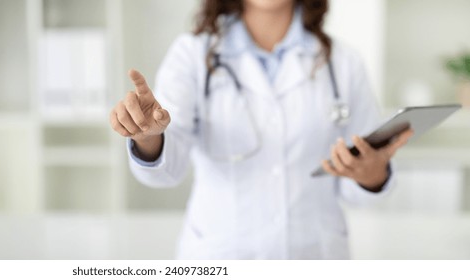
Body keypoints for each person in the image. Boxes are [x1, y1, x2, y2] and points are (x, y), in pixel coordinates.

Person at [109, 0, 413, 259]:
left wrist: (372, 174)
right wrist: (148, 135)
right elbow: (166, 170)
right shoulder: (191, 55)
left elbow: (356, 188)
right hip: (222, 254)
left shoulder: (343, 62)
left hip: (315, 255)